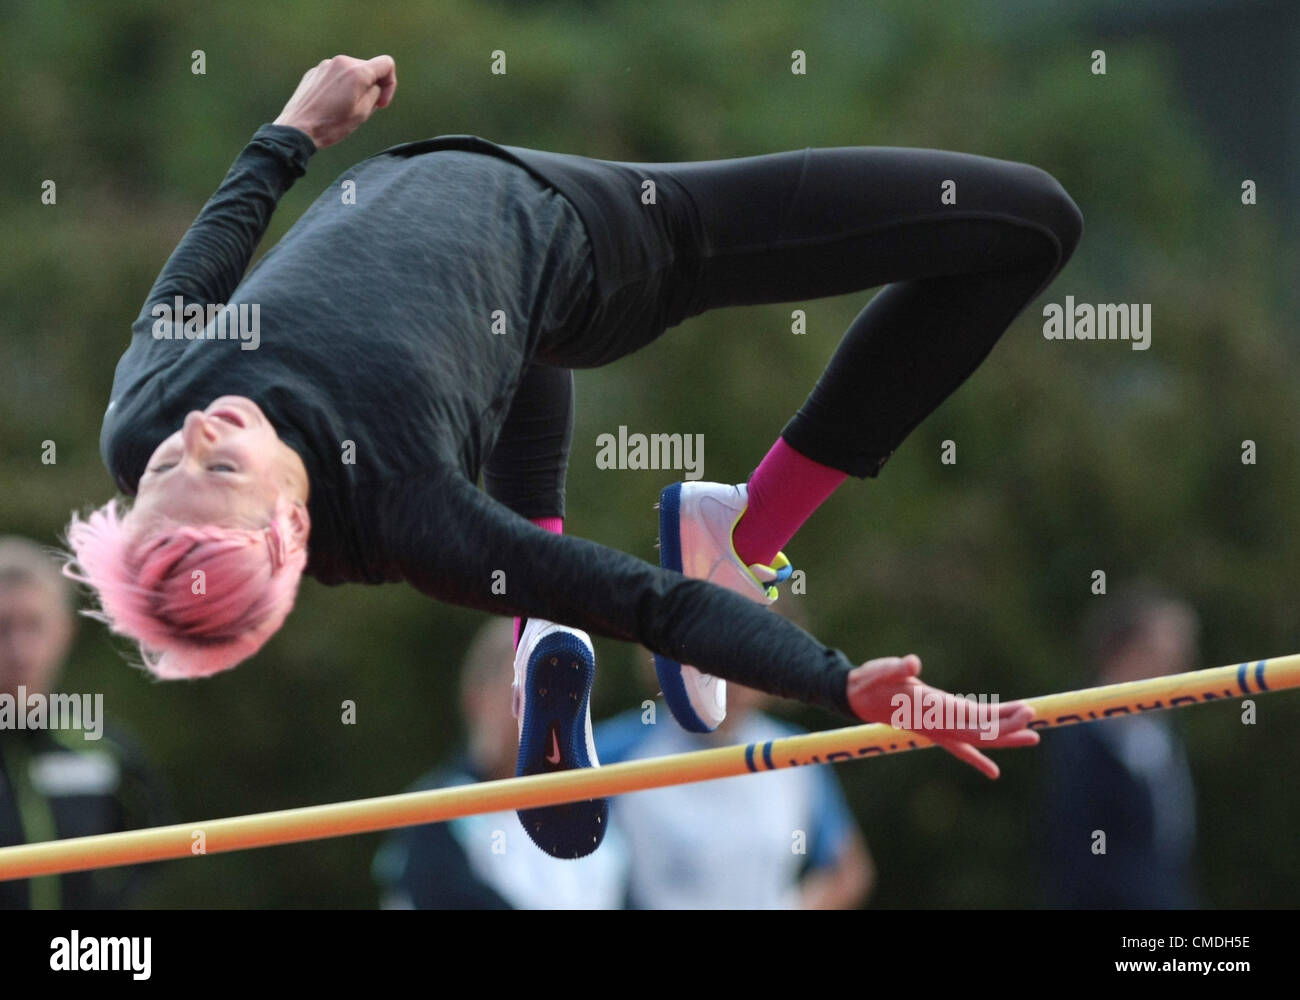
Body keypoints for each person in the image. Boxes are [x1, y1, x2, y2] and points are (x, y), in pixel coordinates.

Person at [64, 53, 1071, 857]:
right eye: (221, 468)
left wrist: (289, 135)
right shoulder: (413, 506)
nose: (197, 435)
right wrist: (841, 683)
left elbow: (197, 275)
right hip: (601, 243)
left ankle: (537, 631)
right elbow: (652, 605)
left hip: (479, 281)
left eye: (161, 472)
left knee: (508, 372)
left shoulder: (147, 416)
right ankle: (742, 529)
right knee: (1026, 223)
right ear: (291, 528)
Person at [596, 598, 874, 909]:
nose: (732, 674)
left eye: (751, 655)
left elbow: (846, 871)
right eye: (714, 653)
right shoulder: (615, 751)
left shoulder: (798, 755)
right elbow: (557, 870)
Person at [373, 619, 628, 908]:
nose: (550, 716)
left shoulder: (599, 817)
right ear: (476, 698)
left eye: (569, 701)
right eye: (531, 696)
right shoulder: (432, 814)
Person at [0, 536, 172, 909]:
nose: (19, 649)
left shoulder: (104, 747)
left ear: (64, 631)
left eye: (34, 626)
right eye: (2, 628)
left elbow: (154, 845)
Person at [1041, 584, 1202, 908]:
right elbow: (1080, 852)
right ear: (1127, 651)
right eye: (1168, 654)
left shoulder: (1159, 731)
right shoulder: (1083, 732)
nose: (1181, 666)